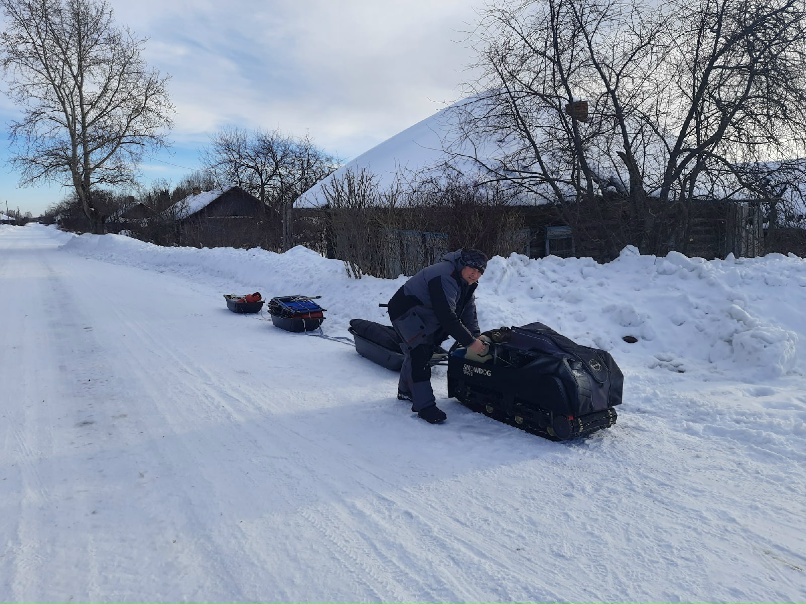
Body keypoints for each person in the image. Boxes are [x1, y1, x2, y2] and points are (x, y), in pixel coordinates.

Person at [387, 248, 490, 424]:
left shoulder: (465, 280)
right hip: (405, 311)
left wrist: (475, 335)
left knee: (420, 350)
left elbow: (468, 310)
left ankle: (405, 391)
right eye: (472, 268)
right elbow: (446, 316)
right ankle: (425, 407)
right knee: (420, 353)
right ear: (462, 265)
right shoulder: (444, 275)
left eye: (480, 271)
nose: (475, 274)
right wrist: (470, 342)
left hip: (425, 312)